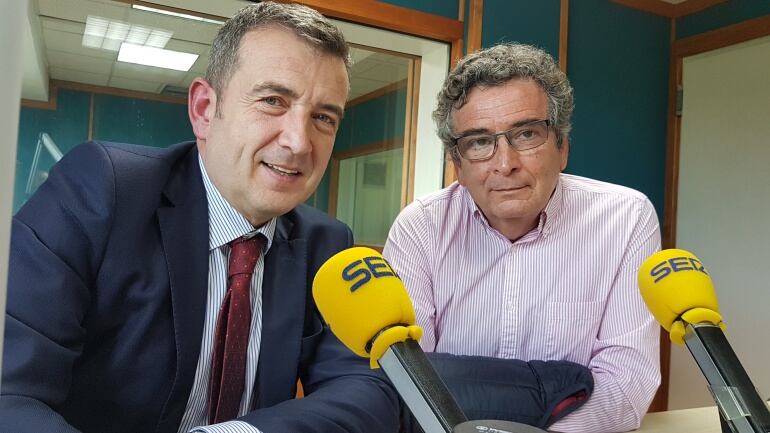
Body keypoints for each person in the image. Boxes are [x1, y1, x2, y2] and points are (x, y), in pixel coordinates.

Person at [0, 3, 399, 433]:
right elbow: (12, 393)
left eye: (323, 117)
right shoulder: (101, 189)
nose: (299, 141)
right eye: (272, 101)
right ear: (205, 109)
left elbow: (365, 391)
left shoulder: (328, 244)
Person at [383, 43, 661, 433]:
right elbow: (411, 382)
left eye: (526, 134)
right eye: (479, 142)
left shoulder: (626, 218)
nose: (505, 163)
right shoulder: (420, 227)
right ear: (457, 165)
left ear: (562, 147)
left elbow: (627, 379)